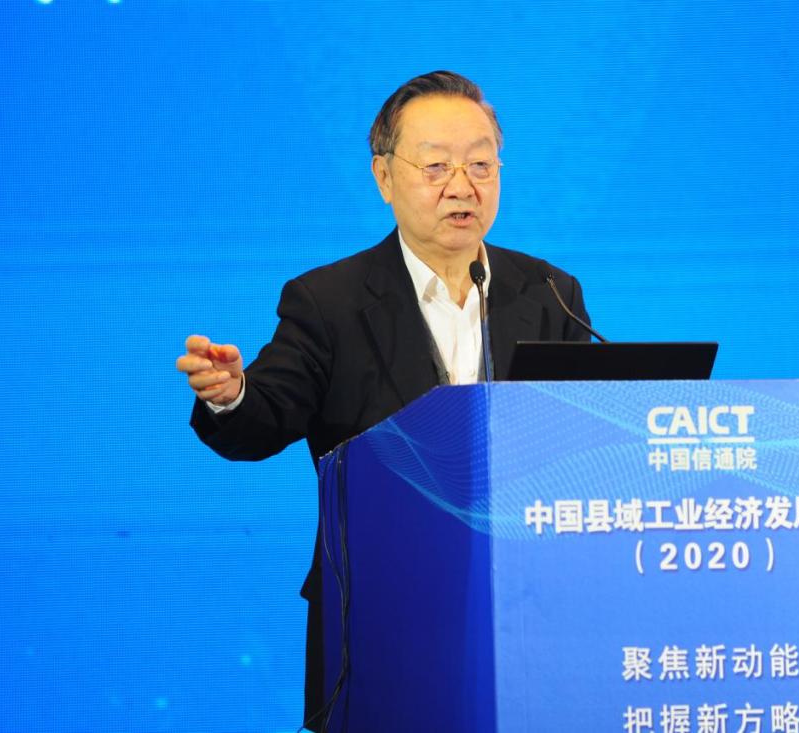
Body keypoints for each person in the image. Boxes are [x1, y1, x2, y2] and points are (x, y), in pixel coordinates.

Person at [175, 70, 593, 730]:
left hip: (525, 614)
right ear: (384, 177)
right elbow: (265, 417)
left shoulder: (549, 293)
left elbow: (586, 440)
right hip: (377, 618)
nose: (462, 185)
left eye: (481, 164)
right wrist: (233, 394)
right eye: (436, 166)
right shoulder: (329, 302)